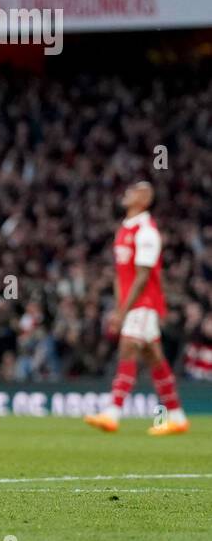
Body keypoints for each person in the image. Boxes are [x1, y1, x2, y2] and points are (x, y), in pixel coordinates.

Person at [86, 181, 189, 435]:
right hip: (133, 304)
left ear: (145, 199)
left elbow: (143, 277)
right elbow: (120, 274)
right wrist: (120, 307)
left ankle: (112, 412)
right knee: (154, 357)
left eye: (133, 191)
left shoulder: (147, 232)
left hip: (145, 302)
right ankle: (177, 416)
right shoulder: (124, 229)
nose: (126, 194)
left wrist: (123, 312)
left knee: (128, 347)